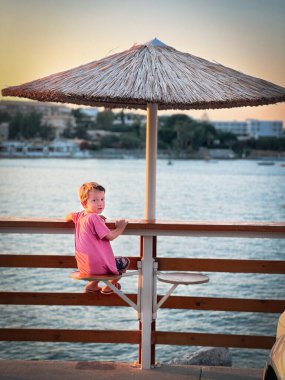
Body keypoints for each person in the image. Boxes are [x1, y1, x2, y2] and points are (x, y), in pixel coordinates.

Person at [65, 182, 129, 295]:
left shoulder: (80, 216)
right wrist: (121, 227)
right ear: (84, 204)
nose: (100, 203)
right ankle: (111, 285)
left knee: (100, 259)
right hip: (99, 268)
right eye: (94, 200)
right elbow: (110, 236)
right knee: (124, 261)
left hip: (84, 267)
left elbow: (68, 216)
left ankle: (93, 285)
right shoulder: (95, 218)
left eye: (102, 199)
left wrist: (95, 217)